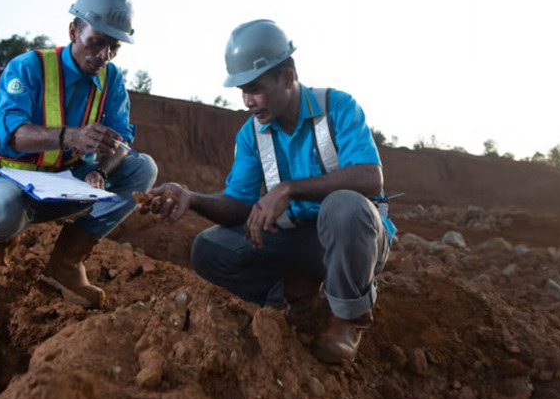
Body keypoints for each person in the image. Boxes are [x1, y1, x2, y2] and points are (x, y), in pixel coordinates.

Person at [141, 19, 394, 364]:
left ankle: (347, 320)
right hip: (301, 243)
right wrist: (193, 197)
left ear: (287, 78)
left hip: (355, 238)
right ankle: (292, 292)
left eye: (255, 89)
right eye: (242, 91)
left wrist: (289, 189)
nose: (247, 101)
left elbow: (370, 178)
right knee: (209, 248)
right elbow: (237, 205)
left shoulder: (338, 107)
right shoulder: (251, 134)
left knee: (344, 206)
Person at [0, 0, 157, 308]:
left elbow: (121, 141)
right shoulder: (28, 68)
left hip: (59, 188)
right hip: (2, 183)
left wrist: (101, 173)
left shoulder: (111, 81)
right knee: (1, 207)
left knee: (143, 167)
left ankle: (66, 265)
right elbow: (7, 135)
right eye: (97, 42)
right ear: (73, 31)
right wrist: (70, 136)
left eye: (113, 47)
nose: (104, 55)